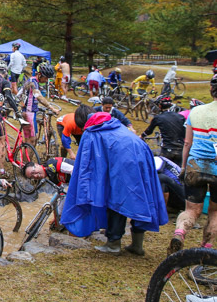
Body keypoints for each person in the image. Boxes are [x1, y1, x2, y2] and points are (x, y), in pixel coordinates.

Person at [61, 106, 168, 256]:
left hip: (124, 163)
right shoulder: (113, 122)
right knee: (140, 198)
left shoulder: (92, 132)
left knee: (116, 200)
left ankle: (113, 244)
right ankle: (137, 245)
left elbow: (85, 164)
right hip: (142, 152)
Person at [168, 75, 217, 254]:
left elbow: (187, 143)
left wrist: (182, 167)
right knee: (214, 212)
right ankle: (206, 249)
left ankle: (180, 233)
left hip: (195, 165)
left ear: (211, 89)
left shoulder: (196, 112)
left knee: (191, 210)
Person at [20, 64, 60, 147]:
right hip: (29, 113)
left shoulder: (32, 81)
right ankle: (26, 160)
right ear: (39, 74)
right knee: (31, 141)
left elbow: (20, 94)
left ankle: (25, 160)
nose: (46, 80)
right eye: (45, 78)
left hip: (28, 112)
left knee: (29, 141)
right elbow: (39, 97)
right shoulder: (33, 82)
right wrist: (52, 108)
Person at [141, 96, 186, 161]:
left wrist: (142, 136)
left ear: (159, 106)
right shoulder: (181, 117)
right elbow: (184, 132)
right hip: (181, 150)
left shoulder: (158, 118)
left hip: (167, 150)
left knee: (163, 169)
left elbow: (149, 131)